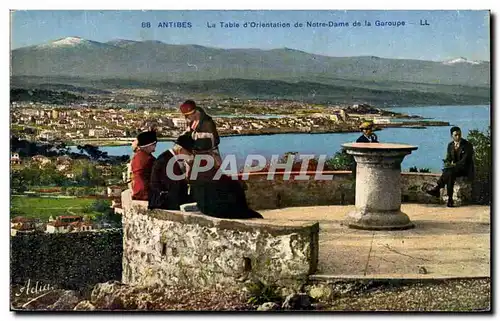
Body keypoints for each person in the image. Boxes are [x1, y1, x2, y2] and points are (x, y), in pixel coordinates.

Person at [425, 126, 474, 207]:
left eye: (459, 134)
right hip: (454, 170)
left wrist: (453, 165)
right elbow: (448, 158)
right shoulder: (450, 145)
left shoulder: (467, 145)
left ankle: (438, 188)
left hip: (465, 169)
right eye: (456, 135)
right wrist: (447, 163)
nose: (458, 136)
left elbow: (465, 161)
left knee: (448, 171)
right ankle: (450, 199)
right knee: (450, 174)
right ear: (452, 136)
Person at [148, 134, 194, 210]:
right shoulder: (166, 161)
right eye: (189, 153)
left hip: (167, 198)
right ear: (180, 150)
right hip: (163, 202)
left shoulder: (170, 157)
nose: (189, 156)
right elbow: (174, 188)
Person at [180, 100, 222, 168]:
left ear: (194, 112)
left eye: (187, 116)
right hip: (197, 157)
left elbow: (214, 141)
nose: (186, 118)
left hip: (210, 158)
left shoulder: (208, 123)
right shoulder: (192, 122)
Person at [130, 131, 157, 200]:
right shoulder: (149, 159)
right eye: (154, 145)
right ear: (148, 145)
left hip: (137, 190)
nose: (155, 147)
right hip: (145, 192)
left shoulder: (137, 156)